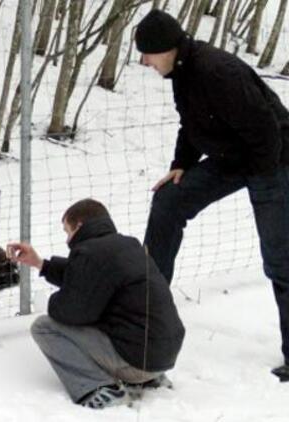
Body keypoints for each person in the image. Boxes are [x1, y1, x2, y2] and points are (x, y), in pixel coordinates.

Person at [136, 9, 289, 382]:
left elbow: (266, 129)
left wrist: (264, 184)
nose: (144, 62)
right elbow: (191, 124)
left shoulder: (217, 71)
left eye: (147, 54)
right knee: (168, 202)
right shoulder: (182, 73)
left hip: (274, 160)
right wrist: (181, 164)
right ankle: (144, 310)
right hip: (233, 157)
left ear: (166, 48)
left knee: (280, 260)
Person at [7, 199, 185, 409]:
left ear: (80, 225)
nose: (67, 240)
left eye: (67, 231)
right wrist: (41, 264)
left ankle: (97, 389)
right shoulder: (127, 246)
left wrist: (54, 300)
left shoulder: (90, 253)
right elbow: (86, 278)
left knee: (44, 327)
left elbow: (70, 312)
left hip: (137, 360)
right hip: (163, 354)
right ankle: (148, 379)